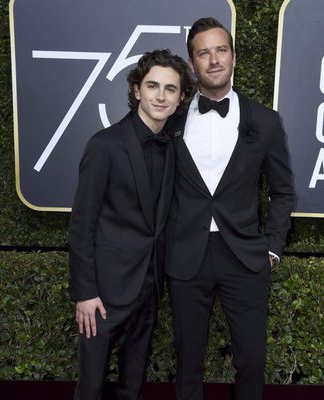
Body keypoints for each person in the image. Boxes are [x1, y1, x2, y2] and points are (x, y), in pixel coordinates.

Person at [165, 18, 295, 400]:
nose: (214, 59)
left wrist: (271, 247)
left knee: (252, 360)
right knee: (188, 361)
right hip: (186, 255)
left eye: (221, 50)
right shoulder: (170, 119)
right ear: (192, 64)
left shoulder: (265, 122)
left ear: (234, 56)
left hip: (244, 255)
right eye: (203, 53)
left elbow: (283, 191)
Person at [68, 49, 194, 400]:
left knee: (132, 386)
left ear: (181, 97)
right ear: (137, 89)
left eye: (170, 89)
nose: (161, 96)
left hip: (149, 287)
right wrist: (85, 293)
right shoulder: (104, 145)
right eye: (152, 86)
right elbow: (82, 224)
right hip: (103, 294)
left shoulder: (173, 147)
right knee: (90, 388)